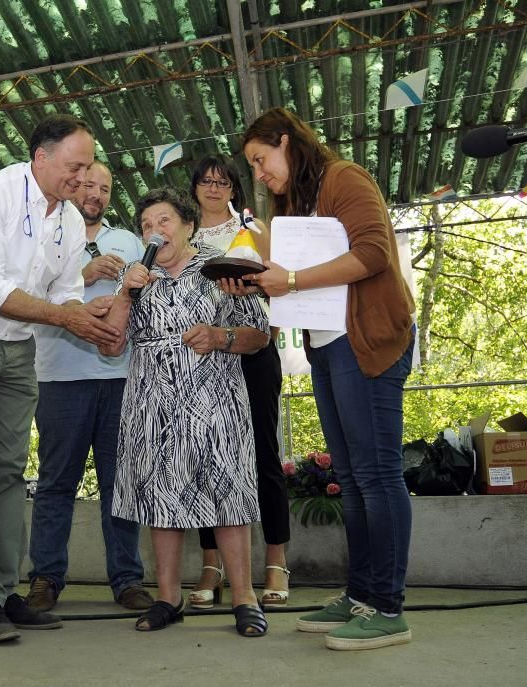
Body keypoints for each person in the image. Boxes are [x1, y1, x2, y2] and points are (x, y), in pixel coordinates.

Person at [0, 115, 122, 644]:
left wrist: (91, 321)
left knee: (10, 470)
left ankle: (7, 589)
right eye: (74, 167)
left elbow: (63, 291)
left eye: (87, 168)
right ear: (41, 157)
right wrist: (69, 318)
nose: (82, 178)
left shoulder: (72, 221)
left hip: (18, 345)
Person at [241, 107, 416, 651]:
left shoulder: (344, 178)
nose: (261, 173)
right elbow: (293, 282)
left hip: (368, 344)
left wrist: (289, 280)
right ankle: (362, 593)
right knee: (354, 477)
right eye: (254, 165)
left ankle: (387, 607)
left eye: (262, 159)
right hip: (327, 348)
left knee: (378, 474)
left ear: (287, 142)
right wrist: (258, 282)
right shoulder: (292, 205)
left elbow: (372, 252)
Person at [99, 187, 270, 637]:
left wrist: (220, 337)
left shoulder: (220, 267)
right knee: (160, 498)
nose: (155, 232)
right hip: (152, 404)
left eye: (164, 221)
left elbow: (259, 334)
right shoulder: (138, 277)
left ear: (189, 224)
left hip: (217, 400)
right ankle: (168, 599)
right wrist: (125, 293)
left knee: (228, 496)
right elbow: (111, 342)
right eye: (146, 226)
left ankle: (244, 598)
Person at [25, 162, 153, 613]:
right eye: (86, 184)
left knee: (121, 483)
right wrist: (86, 272)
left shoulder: (129, 242)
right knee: (57, 481)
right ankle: (45, 578)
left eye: (105, 186)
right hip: (60, 377)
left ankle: (127, 578)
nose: (95, 192)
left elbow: (149, 299)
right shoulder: (46, 234)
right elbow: (26, 292)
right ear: (71, 185)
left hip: (120, 378)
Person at [186, 155, 291, 609]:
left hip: (254, 343)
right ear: (193, 188)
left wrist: (253, 286)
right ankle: (212, 565)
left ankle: (276, 559)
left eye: (223, 181)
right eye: (206, 181)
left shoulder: (255, 226)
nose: (214, 188)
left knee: (264, 452)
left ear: (234, 188)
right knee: (207, 455)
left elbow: (280, 281)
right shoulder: (183, 234)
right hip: (204, 349)